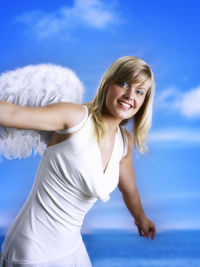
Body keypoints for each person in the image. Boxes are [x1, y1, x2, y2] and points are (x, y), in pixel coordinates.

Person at [0, 56, 156, 267]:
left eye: (139, 91)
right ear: (108, 83)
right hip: (32, 250)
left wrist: (141, 219)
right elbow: (11, 113)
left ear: (144, 102)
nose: (129, 95)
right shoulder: (74, 117)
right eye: (123, 83)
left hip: (73, 250)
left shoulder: (123, 142)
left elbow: (129, 189)